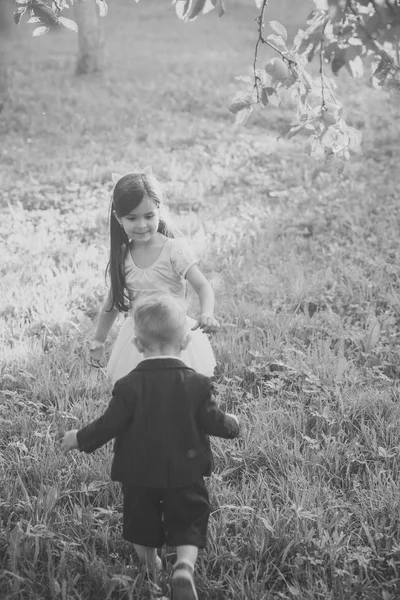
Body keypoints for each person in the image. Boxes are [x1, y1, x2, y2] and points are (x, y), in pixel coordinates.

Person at [63, 295, 240, 600]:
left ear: (137, 345)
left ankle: (151, 565)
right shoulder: (197, 384)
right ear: (185, 342)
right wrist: (232, 425)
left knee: (140, 521)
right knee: (189, 517)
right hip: (186, 471)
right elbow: (214, 422)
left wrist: (79, 438)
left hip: (138, 472)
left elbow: (109, 424)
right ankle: (184, 565)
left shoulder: (128, 386)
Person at [89, 167, 219, 383]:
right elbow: (112, 302)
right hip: (140, 335)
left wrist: (207, 313)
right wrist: (99, 340)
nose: (141, 225)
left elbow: (203, 286)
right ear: (118, 218)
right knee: (142, 388)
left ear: (159, 209)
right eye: (132, 218)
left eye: (149, 216)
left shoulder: (174, 250)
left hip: (174, 332)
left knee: (179, 385)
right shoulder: (123, 256)